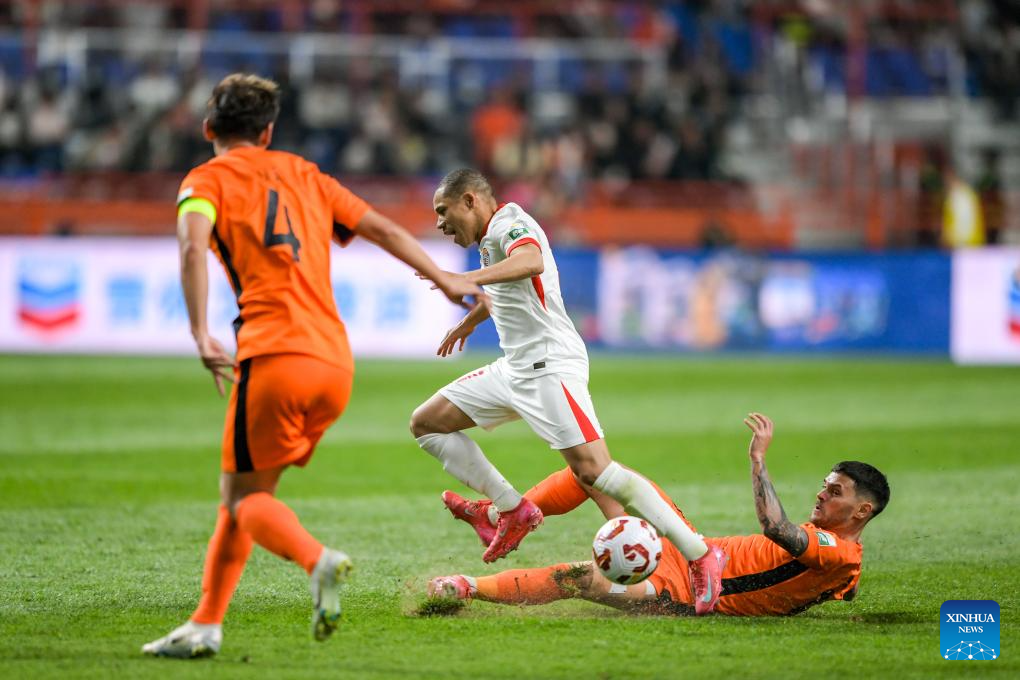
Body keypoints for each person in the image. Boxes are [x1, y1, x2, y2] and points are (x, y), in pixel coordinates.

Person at [142, 74, 484, 659]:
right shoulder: (305, 173)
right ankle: (205, 624)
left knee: (242, 499)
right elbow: (380, 228)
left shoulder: (204, 181)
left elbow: (192, 246)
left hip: (274, 355)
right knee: (250, 494)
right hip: (334, 363)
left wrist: (199, 331)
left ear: (208, 128)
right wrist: (445, 277)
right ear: (268, 131)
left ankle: (316, 561)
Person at [408, 168, 726, 615]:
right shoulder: (489, 239)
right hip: (515, 368)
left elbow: (531, 261)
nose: (440, 223)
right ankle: (511, 509)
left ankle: (701, 554)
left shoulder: (509, 222)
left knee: (596, 471)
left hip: (548, 367)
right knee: (426, 423)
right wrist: (470, 320)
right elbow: (510, 291)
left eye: (444, 211)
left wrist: (466, 279)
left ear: (470, 201)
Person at [429, 413, 890, 617]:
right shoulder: (841, 561)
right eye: (825, 485)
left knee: (578, 578)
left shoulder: (838, 552)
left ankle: (466, 587)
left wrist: (757, 460)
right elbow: (841, 586)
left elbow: (775, 527)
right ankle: (501, 515)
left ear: (863, 510)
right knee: (594, 473)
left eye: (835, 492)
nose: (821, 494)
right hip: (691, 550)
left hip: (685, 591)